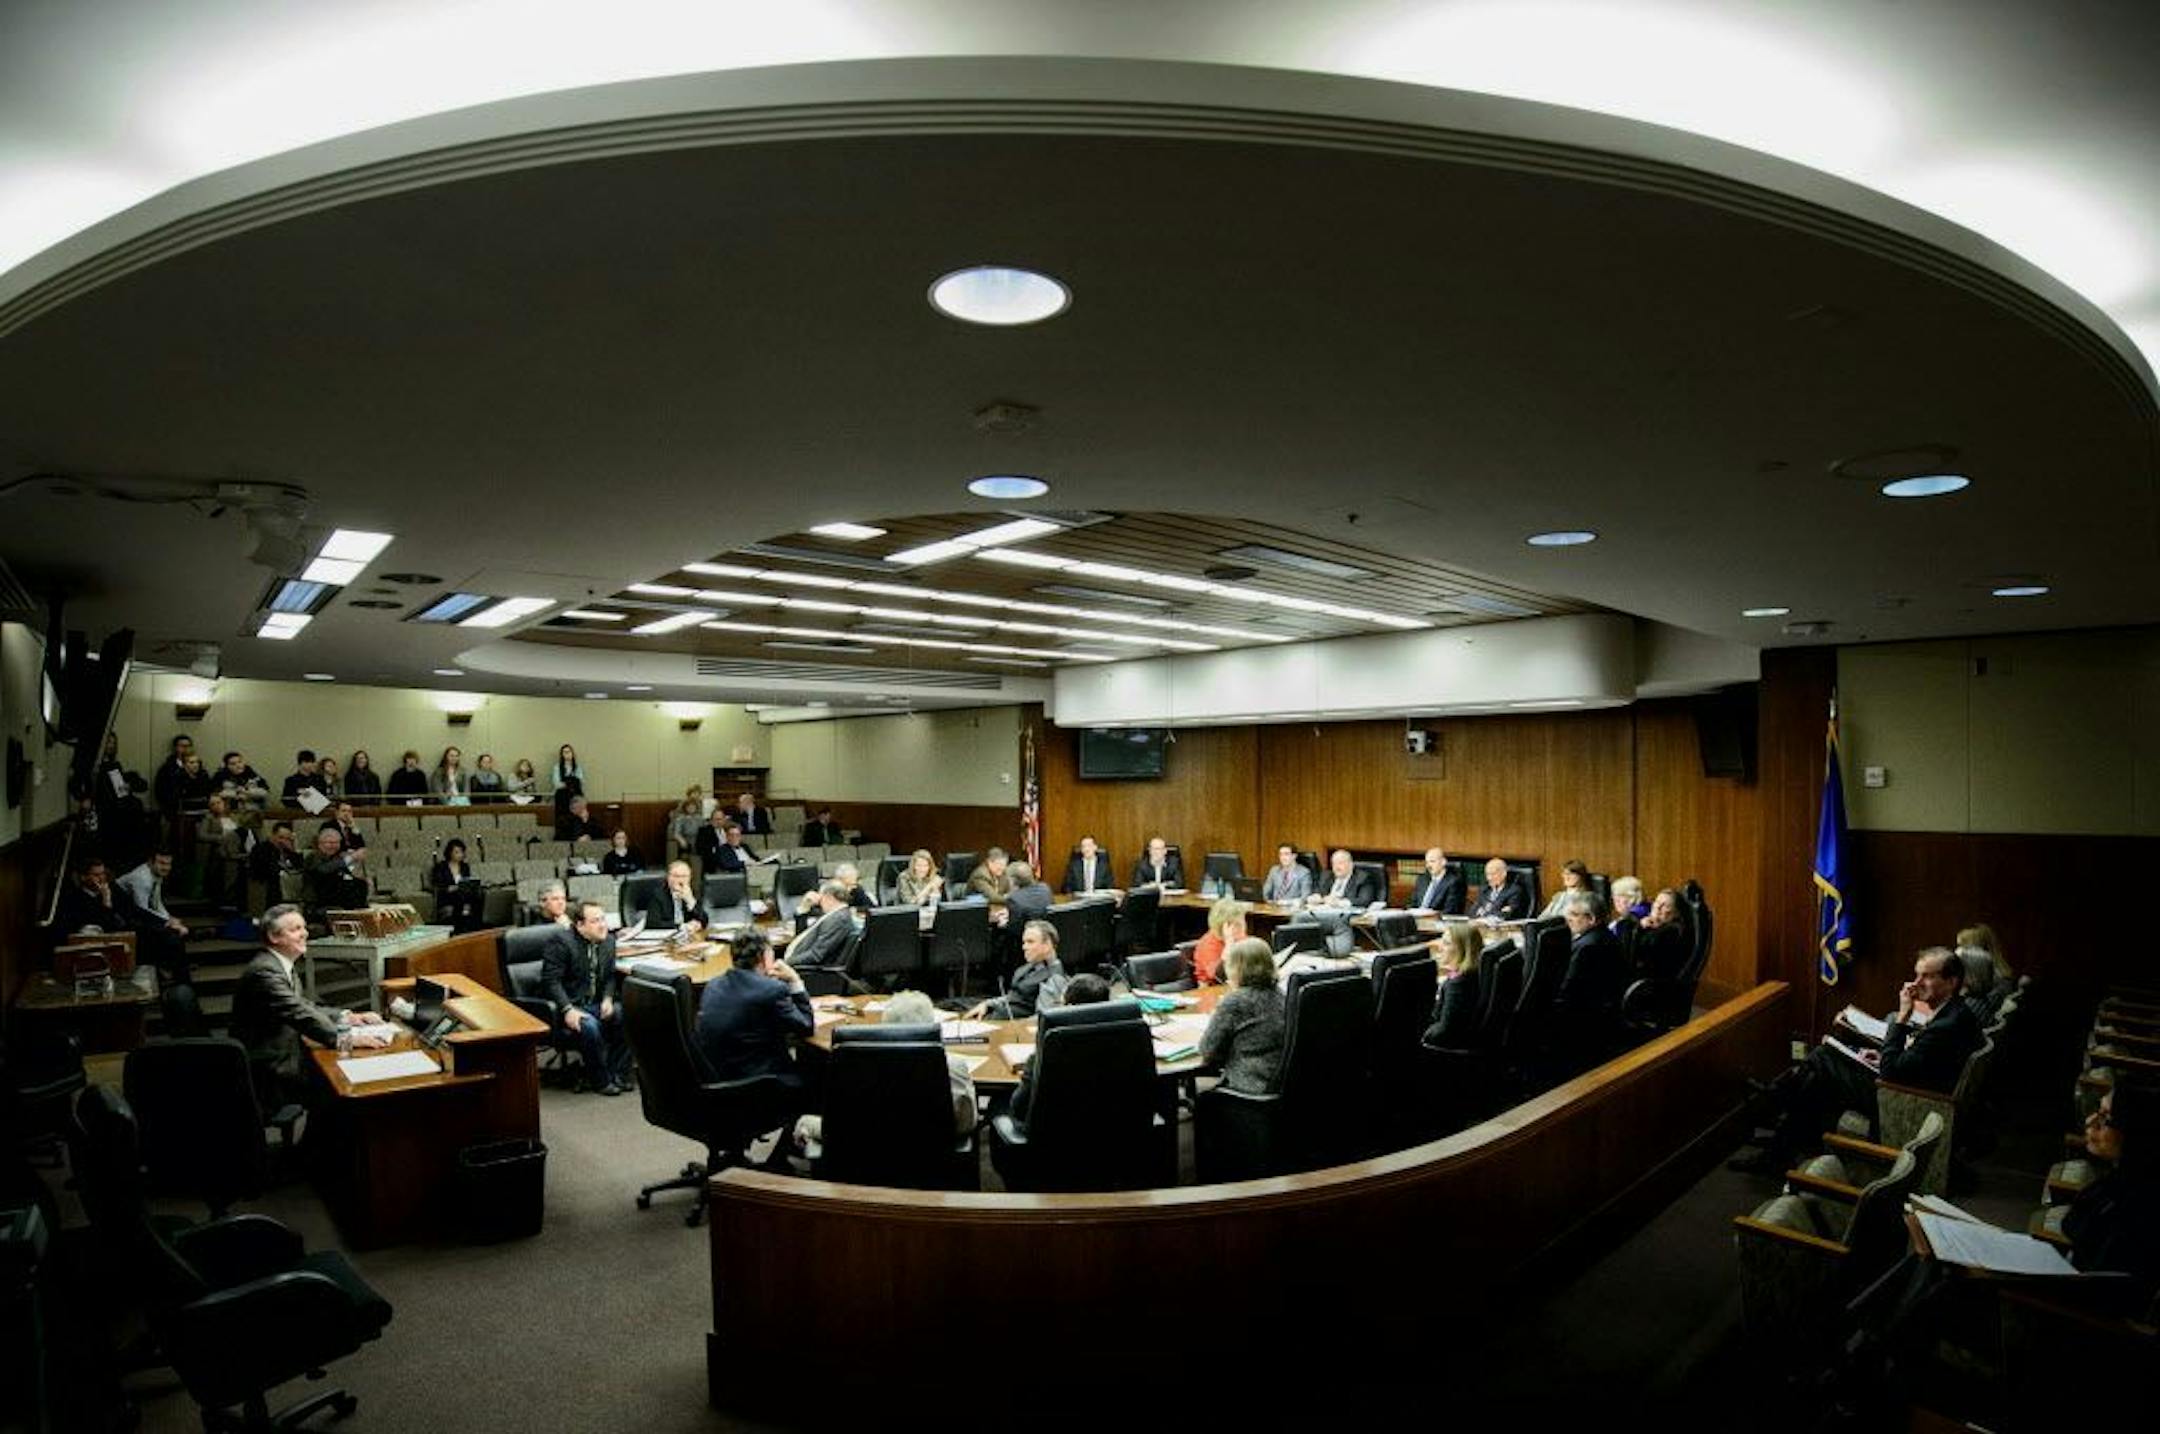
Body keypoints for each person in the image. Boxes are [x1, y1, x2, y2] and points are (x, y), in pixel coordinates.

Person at [1734, 947, 1985, 1173]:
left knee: (1823, 1059)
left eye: (1927, 976)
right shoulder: (1955, 1012)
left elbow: (1892, 1073)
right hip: (1912, 1088)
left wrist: (1902, 1017)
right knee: (1820, 1076)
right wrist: (1882, 1053)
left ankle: (1780, 1107)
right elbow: (1916, 1061)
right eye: (1917, 975)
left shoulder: (1948, 1024)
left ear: (1951, 982)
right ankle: (1785, 1136)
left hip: (1902, 1099)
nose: (1917, 983)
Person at [229, 904, 393, 1106]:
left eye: (303, 927)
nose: (304, 934)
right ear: (274, 937)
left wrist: (347, 1016)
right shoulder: (265, 972)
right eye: (295, 929)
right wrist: (345, 1038)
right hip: (271, 1068)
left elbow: (303, 1005)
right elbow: (299, 1013)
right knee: (341, 1084)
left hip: (285, 1052)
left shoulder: (278, 964)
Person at [794, 990, 976, 1156]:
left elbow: (840, 1121)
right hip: (932, 1158)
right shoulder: (953, 1066)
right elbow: (965, 1123)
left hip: (860, 1153)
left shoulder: (852, 1062)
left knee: (804, 1123)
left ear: (885, 1024)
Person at [694, 928, 812, 1090]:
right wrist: (794, 980)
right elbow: (806, 1026)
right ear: (763, 956)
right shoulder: (772, 990)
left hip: (718, 1081)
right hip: (760, 1084)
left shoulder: (713, 985)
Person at [543, 900, 629, 1094]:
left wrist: (607, 998)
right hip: (569, 1005)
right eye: (595, 921)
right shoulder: (561, 943)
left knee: (625, 1013)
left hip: (596, 1003)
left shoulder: (609, 941)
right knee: (590, 1026)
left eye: (603, 919)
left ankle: (618, 1074)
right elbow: (551, 982)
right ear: (580, 925)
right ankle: (600, 1080)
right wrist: (567, 1009)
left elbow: (609, 977)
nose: (602, 925)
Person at [1006, 972, 1111, 1127]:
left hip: (1053, 1136)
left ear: (1068, 1008)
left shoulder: (1047, 1053)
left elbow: (1019, 1107)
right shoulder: (1127, 1042)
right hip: (1113, 1128)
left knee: (998, 1103)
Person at [1198, 938, 1285, 1094]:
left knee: (1205, 1101)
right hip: (1280, 1086)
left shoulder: (1235, 1002)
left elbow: (1207, 1050)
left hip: (1247, 1089)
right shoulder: (1281, 995)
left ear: (1237, 969)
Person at [1553, 890, 1626, 1051]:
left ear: (1591, 919)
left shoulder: (1586, 946)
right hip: (1601, 1009)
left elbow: (1567, 991)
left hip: (1584, 1016)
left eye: (1573, 914)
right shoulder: (1604, 936)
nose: (1568, 919)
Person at [965, 918, 1066, 1020]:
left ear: (1047, 945)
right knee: (956, 1004)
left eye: (1030, 942)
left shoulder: (1054, 978)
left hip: (1011, 1026)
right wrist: (988, 1004)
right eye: (1024, 942)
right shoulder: (1030, 967)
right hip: (1000, 1013)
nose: (1024, 947)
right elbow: (1013, 998)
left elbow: (1041, 1018)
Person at [114, 849, 191, 981]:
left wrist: (169, 918)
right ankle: (174, 971)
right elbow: (143, 909)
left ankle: (172, 965)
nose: (166, 868)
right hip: (122, 916)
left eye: (168, 864)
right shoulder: (142, 879)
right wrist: (168, 923)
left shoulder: (156, 874)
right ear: (150, 862)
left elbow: (156, 901)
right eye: (162, 863)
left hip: (136, 913)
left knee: (175, 928)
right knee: (170, 934)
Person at [1423, 920, 1486, 1047]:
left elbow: (1445, 1030)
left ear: (1463, 949)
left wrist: (1422, 1035)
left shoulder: (1458, 984)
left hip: (1448, 1050)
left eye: (1446, 943)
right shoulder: (1475, 972)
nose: (1440, 947)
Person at [787, 881, 858, 970]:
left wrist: (788, 962)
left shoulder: (838, 919)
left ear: (829, 897)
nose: (819, 903)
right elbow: (805, 939)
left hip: (810, 971)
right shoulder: (834, 915)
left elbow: (816, 955)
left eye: (821, 898)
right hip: (801, 964)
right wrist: (803, 909)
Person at [302, 825, 369, 918]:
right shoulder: (313, 857)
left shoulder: (337, 858)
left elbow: (346, 876)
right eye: (330, 843)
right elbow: (323, 870)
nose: (333, 846)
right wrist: (351, 858)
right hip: (318, 904)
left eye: (336, 843)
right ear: (320, 844)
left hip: (338, 901)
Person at [1632, 887, 1691, 983]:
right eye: (1657, 902)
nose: (1658, 907)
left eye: (1665, 905)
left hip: (1652, 985)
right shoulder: (1657, 926)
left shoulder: (1672, 932)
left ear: (1676, 913)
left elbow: (1642, 952)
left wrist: (1642, 929)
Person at [55, 854, 123, 935]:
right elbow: (104, 925)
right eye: (96, 875)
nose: (102, 878)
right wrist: (106, 901)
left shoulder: (114, 889)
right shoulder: (74, 899)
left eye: (103, 873)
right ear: (83, 877)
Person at [1192, 897, 1250, 985]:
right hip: (1212, 991)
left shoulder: (1241, 938)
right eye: (1237, 924)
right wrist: (1229, 944)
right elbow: (1220, 976)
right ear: (1223, 926)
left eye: (1243, 921)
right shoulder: (1208, 944)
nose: (1243, 927)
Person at [431, 837, 483, 930]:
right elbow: (437, 885)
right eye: (457, 852)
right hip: (447, 895)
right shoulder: (441, 867)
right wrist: (449, 888)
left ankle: (476, 927)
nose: (460, 855)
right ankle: (459, 926)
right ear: (449, 853)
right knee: (459, 896)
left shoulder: (465, 866)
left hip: (463, 893)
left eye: (461, 852)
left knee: (478, 895)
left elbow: (466, 881)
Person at [640, 860, 707, 932]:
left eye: (684, 876)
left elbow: (704, 920)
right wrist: (681, 926)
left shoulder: (691, 893)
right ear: (668, 878)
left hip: (688, 938)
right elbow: (653, 924)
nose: (681, 880)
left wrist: (690, 901)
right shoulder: (658, 895)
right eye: (676, 876)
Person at [248, 821, 302, 907]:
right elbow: (268, 869)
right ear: (273, 835)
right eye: (280, 837)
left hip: (287, 886)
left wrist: (293, 850)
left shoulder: (288, 850)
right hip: (266, 887)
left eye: (287, 838)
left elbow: (299, 867)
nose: (283, 841)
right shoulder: (261, 849)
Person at [1312, 848, 1381, 908]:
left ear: (1351, 865)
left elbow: (1364, 901)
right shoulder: (1326, 876)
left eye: (1340, 863)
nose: (1337, 867)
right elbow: (1318, 891)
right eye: (1334, 864)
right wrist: (1316, 897)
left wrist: (1339, 903)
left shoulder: (1363, 878)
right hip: (1325, 913)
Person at [1410, 847, 1465, 914]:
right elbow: (1412, 904)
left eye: (1432, 861)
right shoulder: (1422, 879)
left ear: (1443, 862)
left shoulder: (1454, 882)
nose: (1428, 866)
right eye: (1427, 862)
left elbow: (1450, 911)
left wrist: (1429, 915)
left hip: (1437, 921)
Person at [151, 734, 194, 818]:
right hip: (173, 811)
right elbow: (160, 790)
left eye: (188, 746)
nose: (186, 749)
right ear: (176, 748)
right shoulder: (167, 768)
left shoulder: (198, 766)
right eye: (182, 746)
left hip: (194, 809)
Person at [669, 790, 705, 856]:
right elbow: (676, 834)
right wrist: (681, 840)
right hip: (687, 840)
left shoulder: (700, 818)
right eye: (689, 806)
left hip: (698, 840)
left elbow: (705, 830)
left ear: (696, 807)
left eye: (693, 806)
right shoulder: (681, 818)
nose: (691, 808)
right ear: (685, 808)